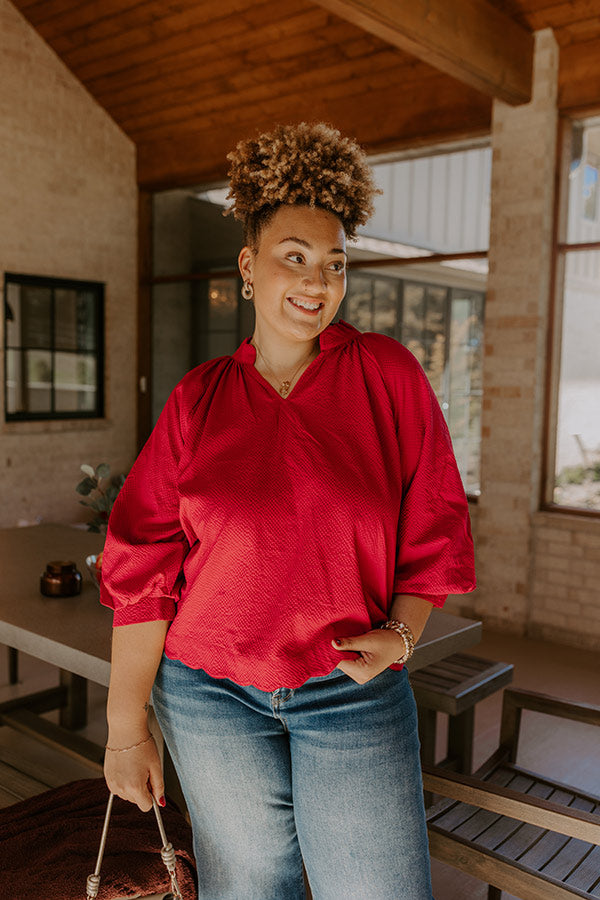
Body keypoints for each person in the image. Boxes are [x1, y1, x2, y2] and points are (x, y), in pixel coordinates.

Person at [101, 122, 475, 900]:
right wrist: (124, 726)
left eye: (334, 264)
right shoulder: (198, 399)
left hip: (350, 683)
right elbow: (144, 566)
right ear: (249, 266)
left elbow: (435, 525)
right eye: (295, 257)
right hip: (206, 691)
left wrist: (403, 636)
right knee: (248, 888)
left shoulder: (386, 375)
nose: (317, 281)